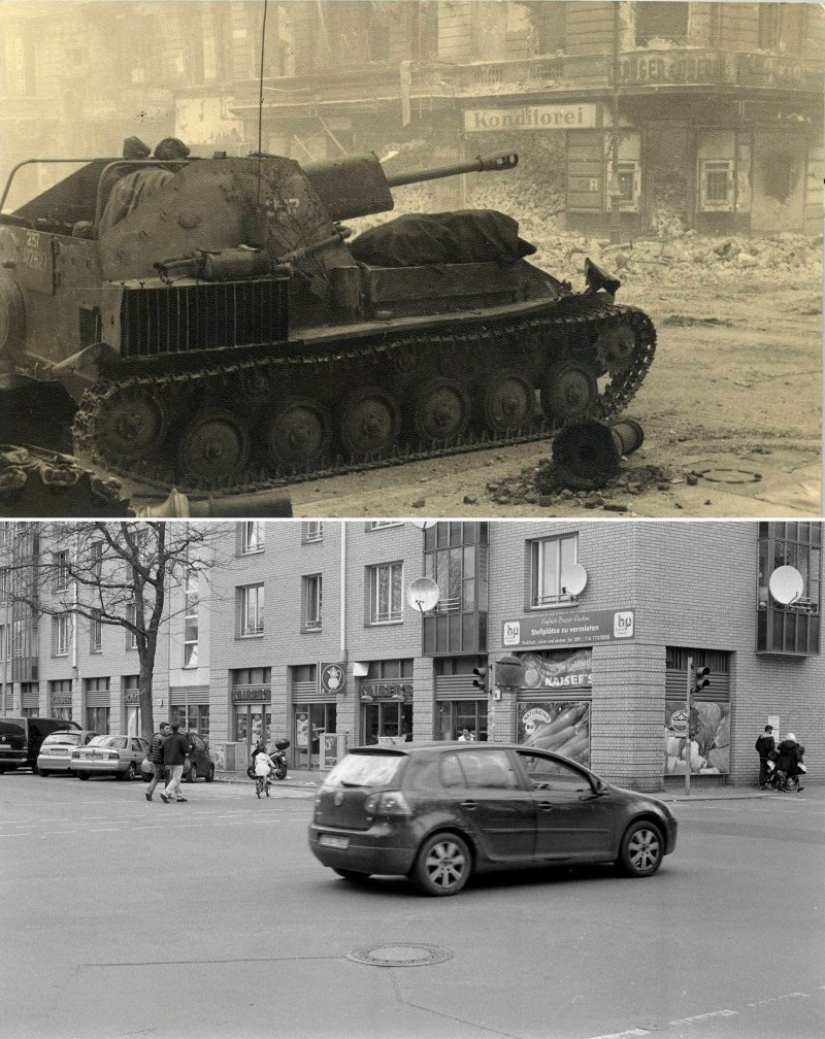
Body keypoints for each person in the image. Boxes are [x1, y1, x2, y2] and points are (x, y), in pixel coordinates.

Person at [160, 722, 193, 804]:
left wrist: (165, 757)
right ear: (178, 729)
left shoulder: (168, 738)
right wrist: (190, 747)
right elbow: (186, 749)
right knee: (176, 779)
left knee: (175, 779)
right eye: (181, 728)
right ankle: (165, 793)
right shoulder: (181, 738)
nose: (182, 729)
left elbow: (161, 748)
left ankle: (179, 796)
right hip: (178, 761)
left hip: (168, 761)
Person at [145, 721, 171, 801]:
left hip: (155, 760)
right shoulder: (163, 739)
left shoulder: (155, 737)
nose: (168, 730)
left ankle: (149, 792)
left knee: (156, 777)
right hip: (162, 761)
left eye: (168, 728)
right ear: (161, 729)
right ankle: (166, 794)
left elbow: (150, 748)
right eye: (166, 728)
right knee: (168, 777)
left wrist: (151, 757)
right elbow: (165, 751)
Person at [755, 724, 776, 790]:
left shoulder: (760, 737)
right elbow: (772, 748)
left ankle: (762, 785)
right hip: (768, 757)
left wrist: (761, 752)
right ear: (769, 730)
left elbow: (756, 746)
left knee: (762, 770)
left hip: (762, 757)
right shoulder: (770, 738)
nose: (771, 731)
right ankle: (767, 783)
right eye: (771, 730)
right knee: (769, 770)